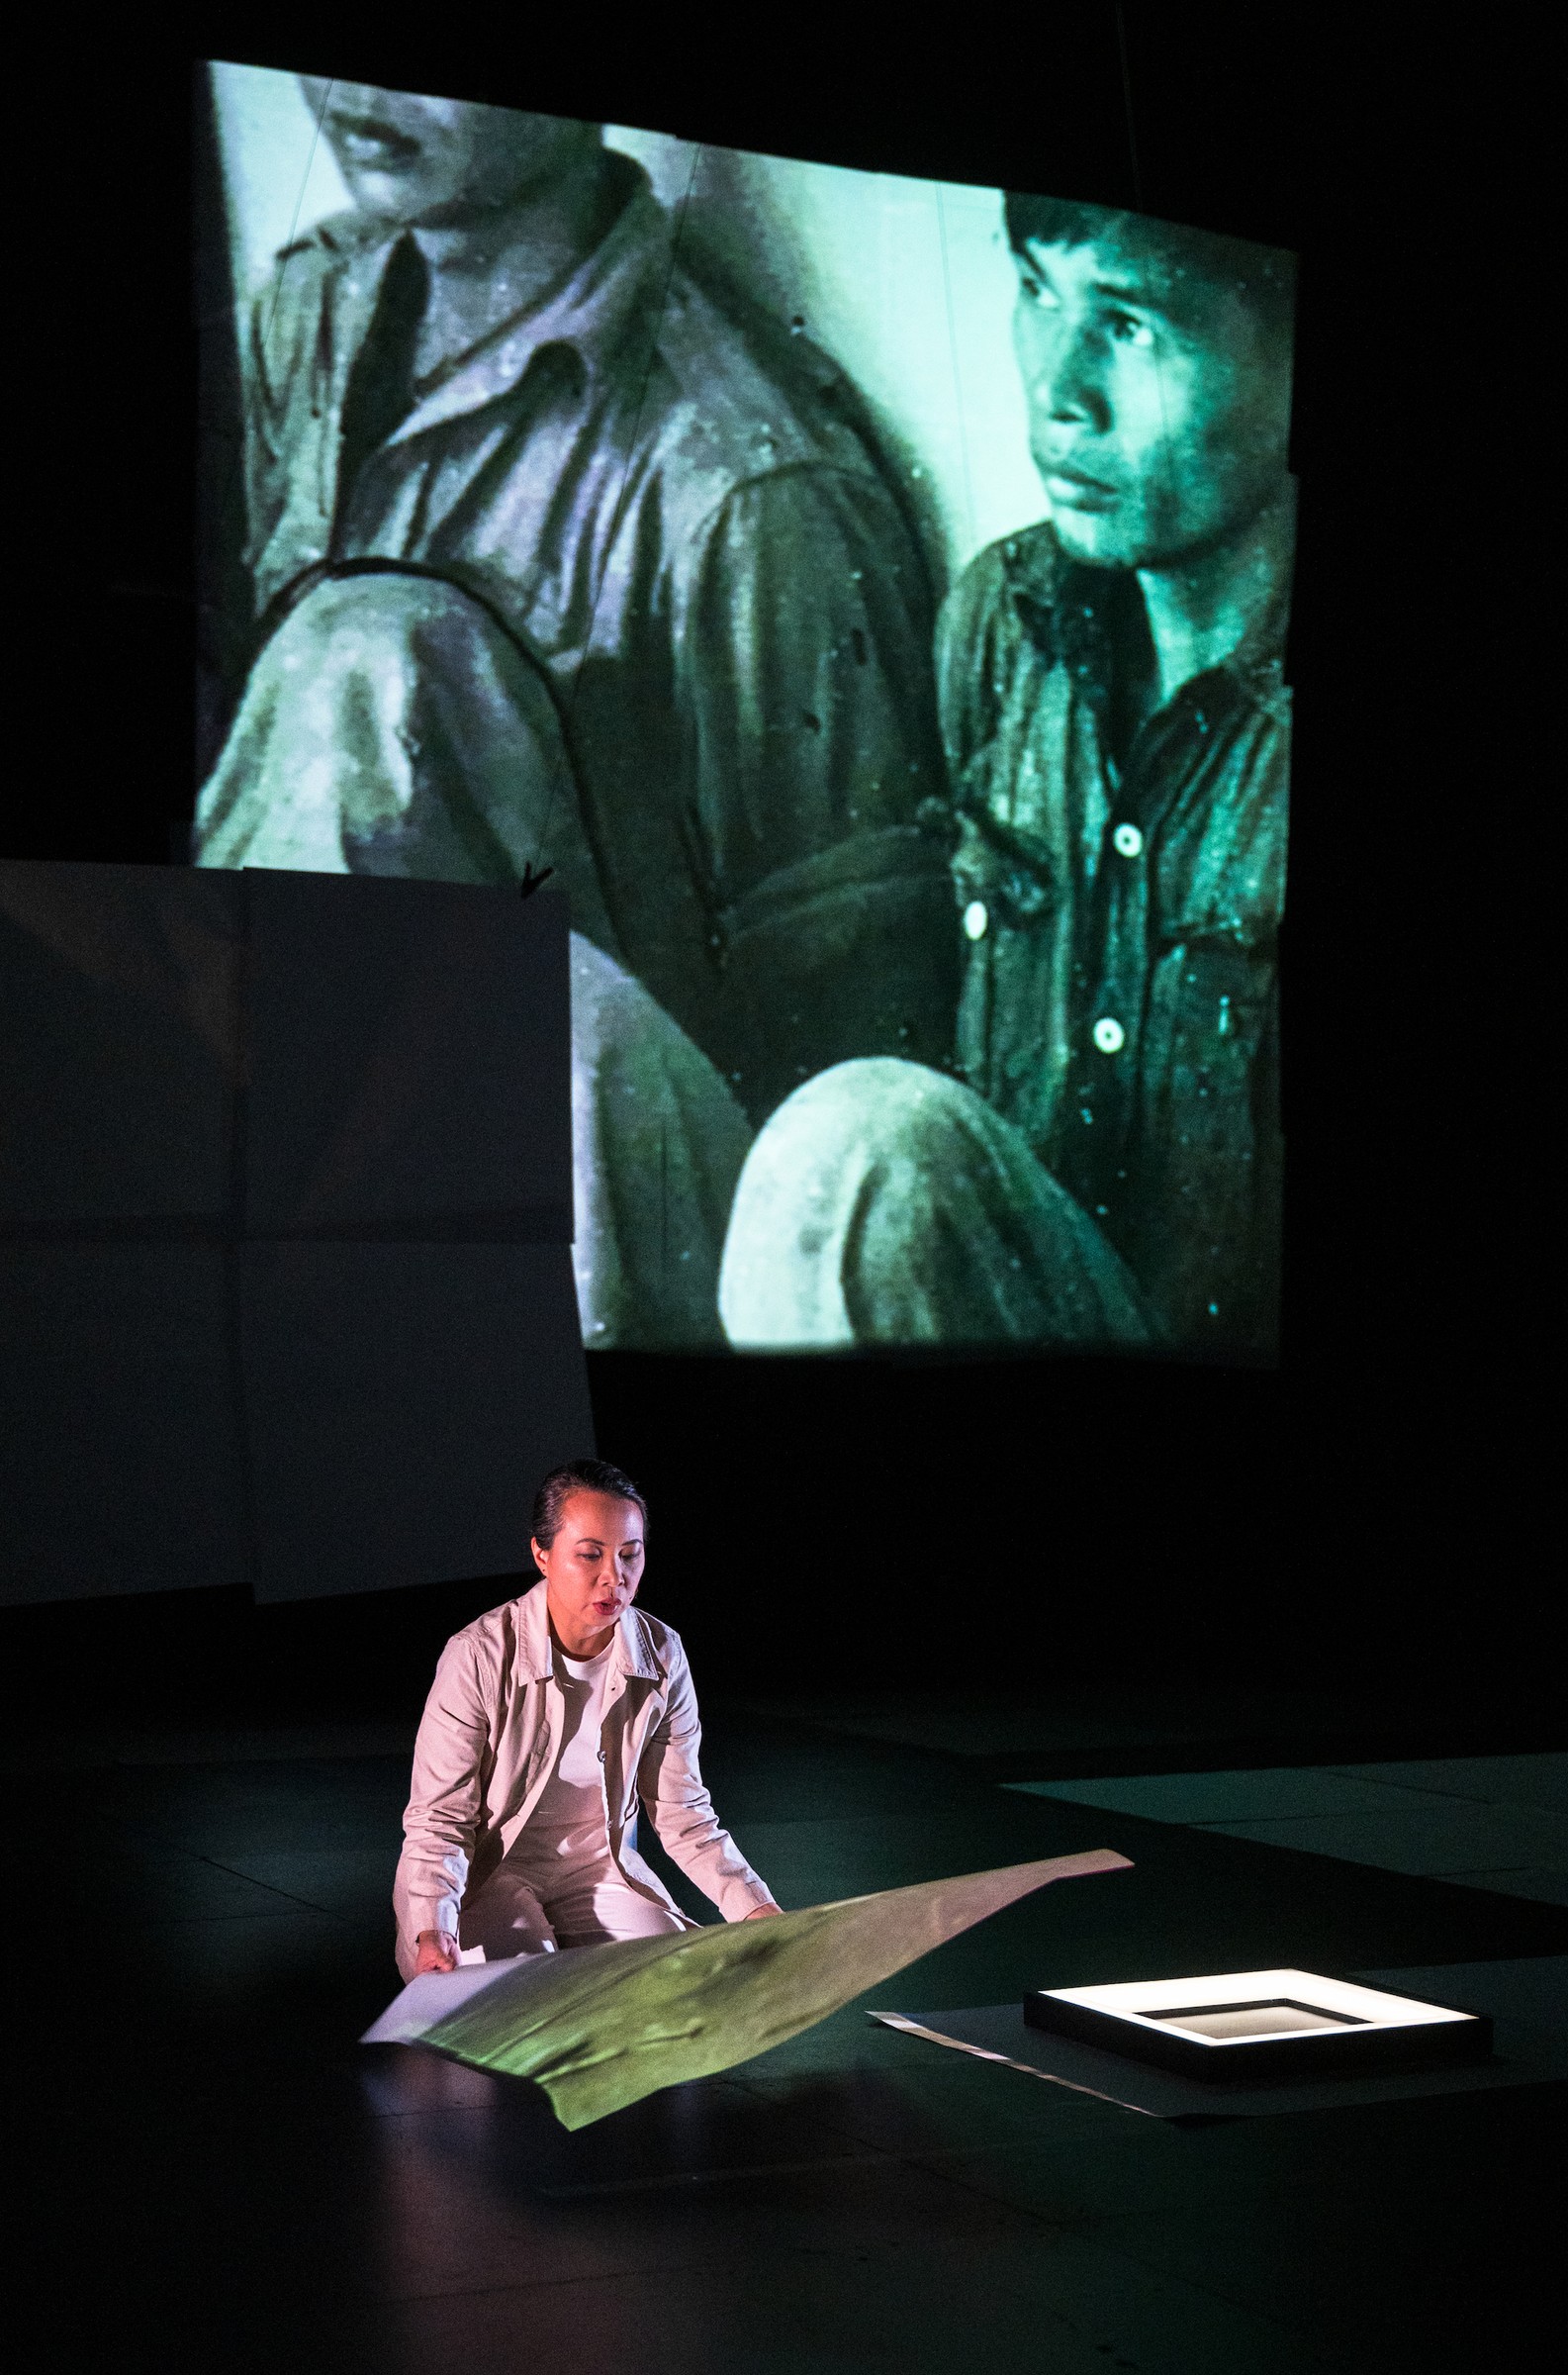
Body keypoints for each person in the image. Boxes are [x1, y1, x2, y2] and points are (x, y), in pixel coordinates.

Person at [196, 82, 958, 1135]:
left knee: (367, 651)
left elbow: (850, 1072)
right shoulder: (308, 316)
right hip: (319, 1114)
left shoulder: (744, 493)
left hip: (576, 1180)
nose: (356, 88)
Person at [718, 193, 1295, 1359]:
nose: (1056, 391)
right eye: (1036, 290)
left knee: (866, 1148)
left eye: (1128, 325)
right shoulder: (1004, 618)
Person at [395, 1459, 780, 1979]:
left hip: (600, 1869)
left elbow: (684, 1811)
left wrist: (758, 1912)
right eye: (590, 1555)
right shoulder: (479, 1655)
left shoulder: (661, 1653)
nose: (613, 1577)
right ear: (542, 1554)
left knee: (678, 1980)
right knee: (526, 1995)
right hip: (490, 1873)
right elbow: (439, 1819)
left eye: (630, 1555)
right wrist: (432, 1928)